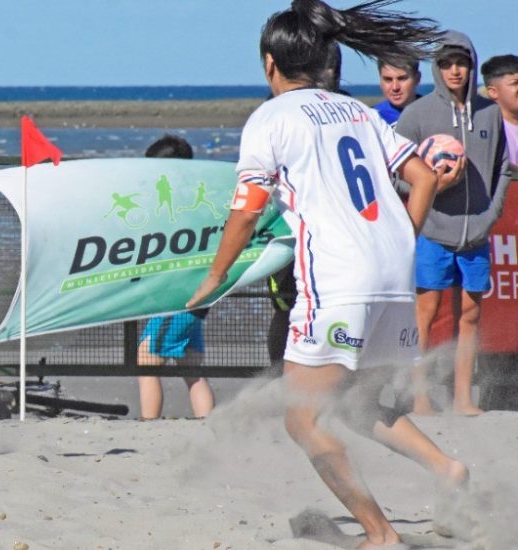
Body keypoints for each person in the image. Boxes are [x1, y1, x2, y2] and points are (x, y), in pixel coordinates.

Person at [185, 1, 469, 547]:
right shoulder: (356, 111)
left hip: (339, 283)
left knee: (303, 420)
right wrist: (402, 239)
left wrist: (214, 278)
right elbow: (425, 178)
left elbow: (246, 212)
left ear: (271, 63)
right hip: (391, 278)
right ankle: (448, 469)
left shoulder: (270, 118)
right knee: (357, 406)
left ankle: (380, 534)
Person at [396, 32, 514, 416]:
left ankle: (464, 399)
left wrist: (490, 216)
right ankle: (421, 397)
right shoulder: (417, 114)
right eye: (446, 63)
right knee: (425, 316)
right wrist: (434, 186)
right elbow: (395, 173)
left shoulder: (489, 113)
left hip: (476, 234)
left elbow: (503, 168)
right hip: (433, 231)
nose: (454, 70)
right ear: (436, 67)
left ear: (471, 64)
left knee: (470, 315)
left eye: (460, 62)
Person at [136, 135, 214, 419]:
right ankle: (207, 423)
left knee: (146, 362)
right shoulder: (199, 198)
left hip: (177, 296)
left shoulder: (172, 204)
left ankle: (149, 423)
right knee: (192, 369)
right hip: (199, 294)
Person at [374, 58, 422, 124]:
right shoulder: (371, 118)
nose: (395, 87)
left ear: (417, 79)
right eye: (388, 79)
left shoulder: (434, 113)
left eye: (402, 79)